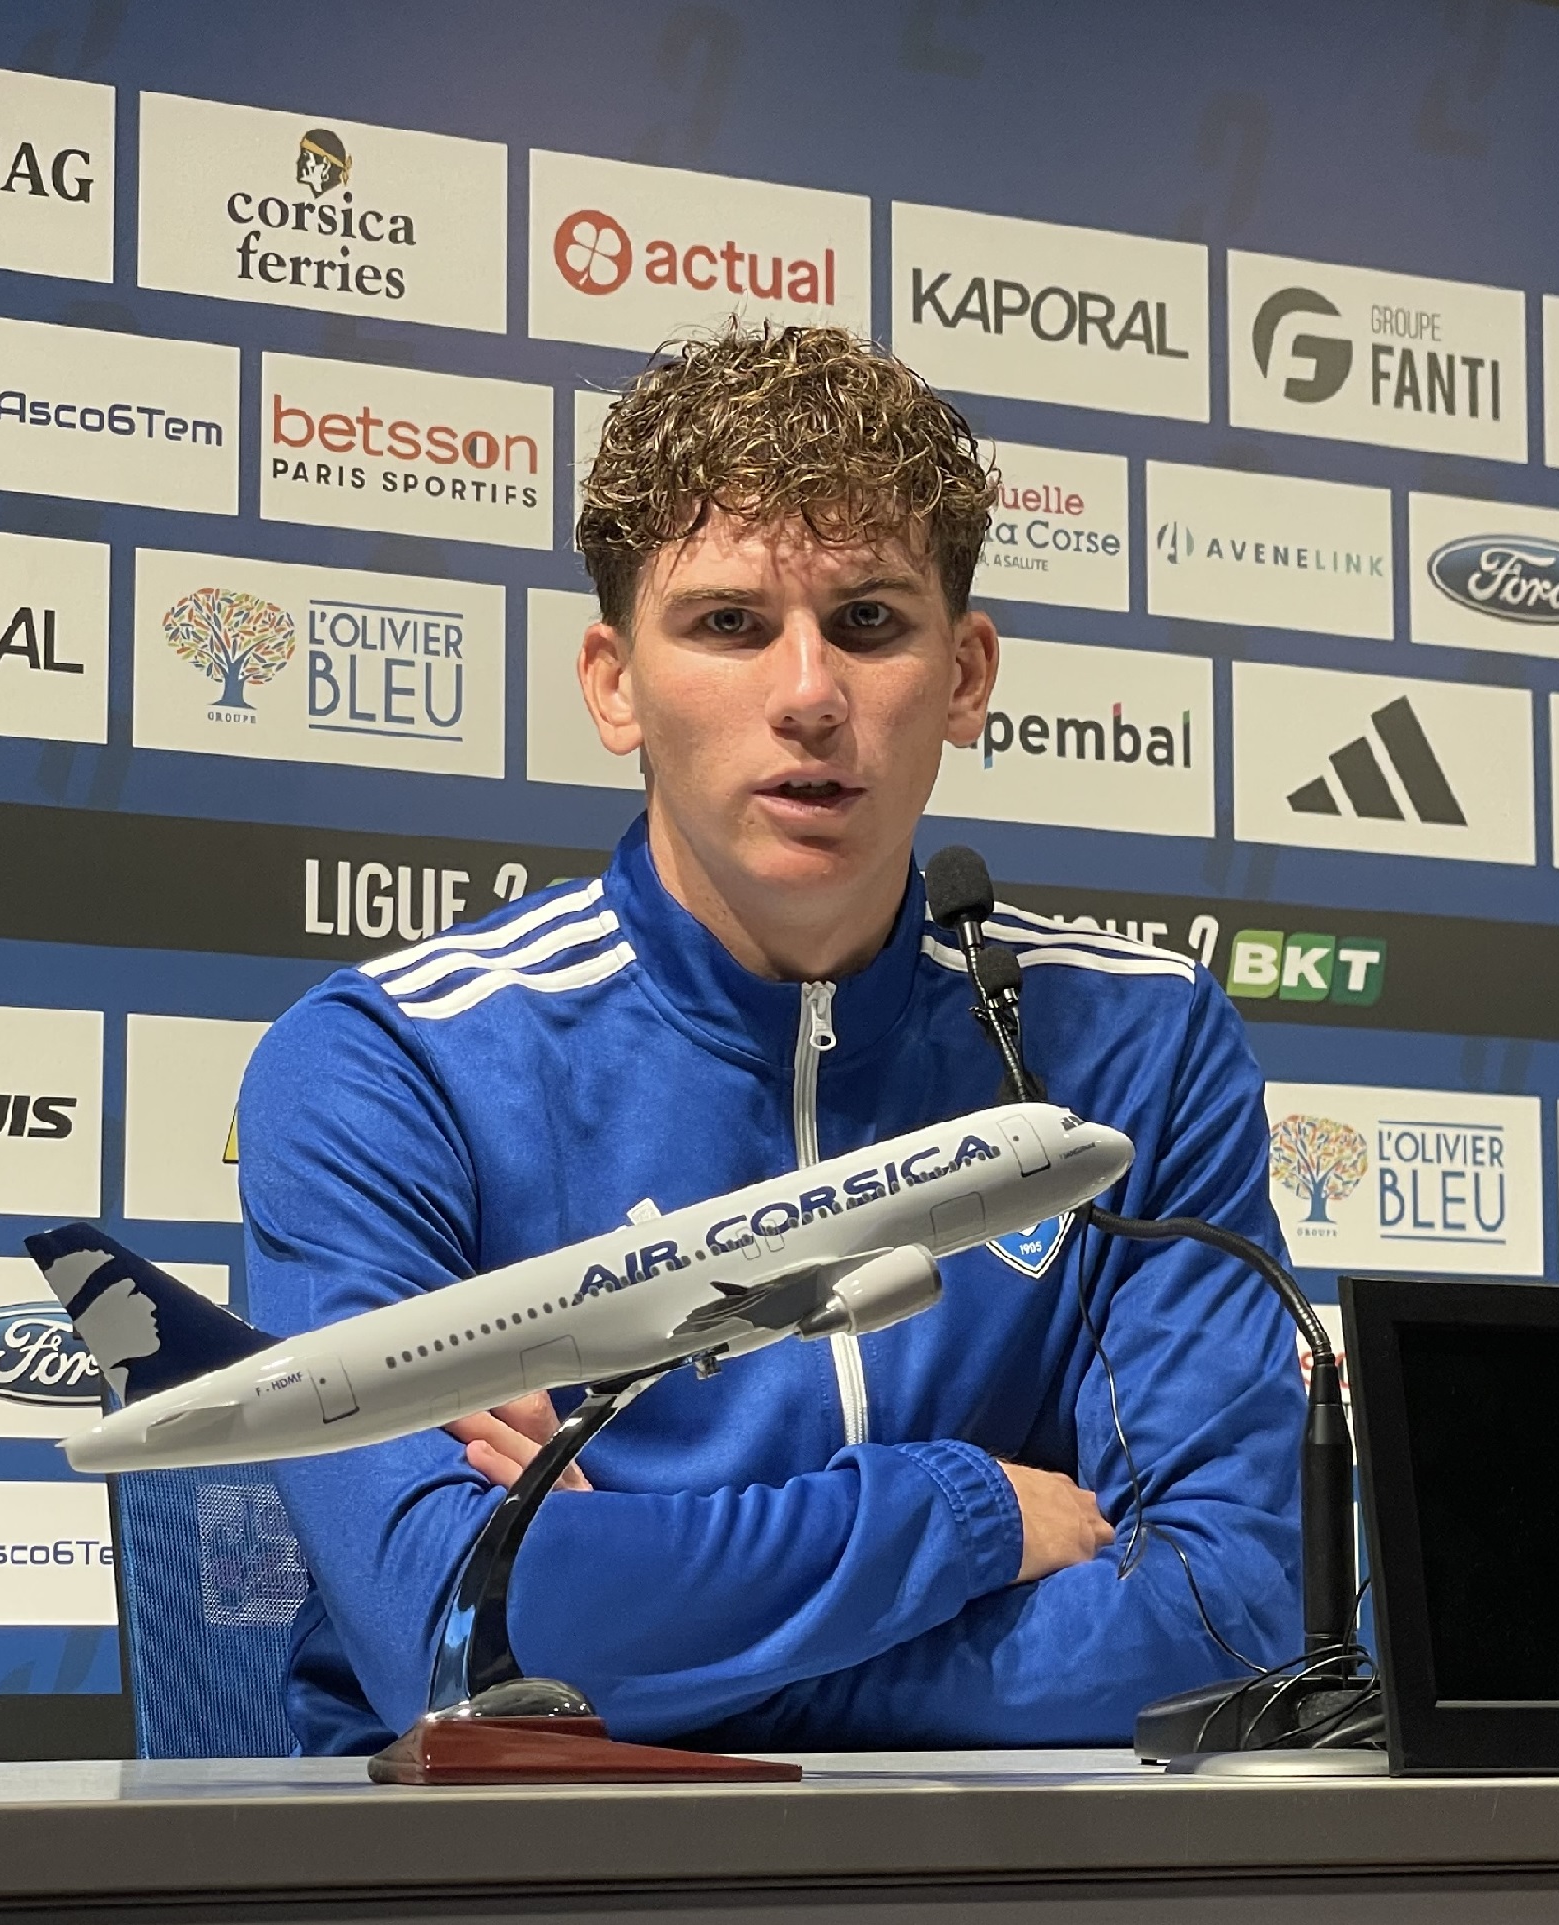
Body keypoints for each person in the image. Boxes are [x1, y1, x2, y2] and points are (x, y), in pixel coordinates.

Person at [239, 324, 1301, 1751]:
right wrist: (964, 1514)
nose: (808, 693)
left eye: (866, 621)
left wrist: (642, 1624)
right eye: (730, 624)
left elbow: (1232, 1616)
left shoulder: (1137, 1046)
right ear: (614, 682)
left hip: (1001, 1859)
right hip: (532, 1863)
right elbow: (455, 1636)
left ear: (965, 674)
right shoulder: (391, 1064)